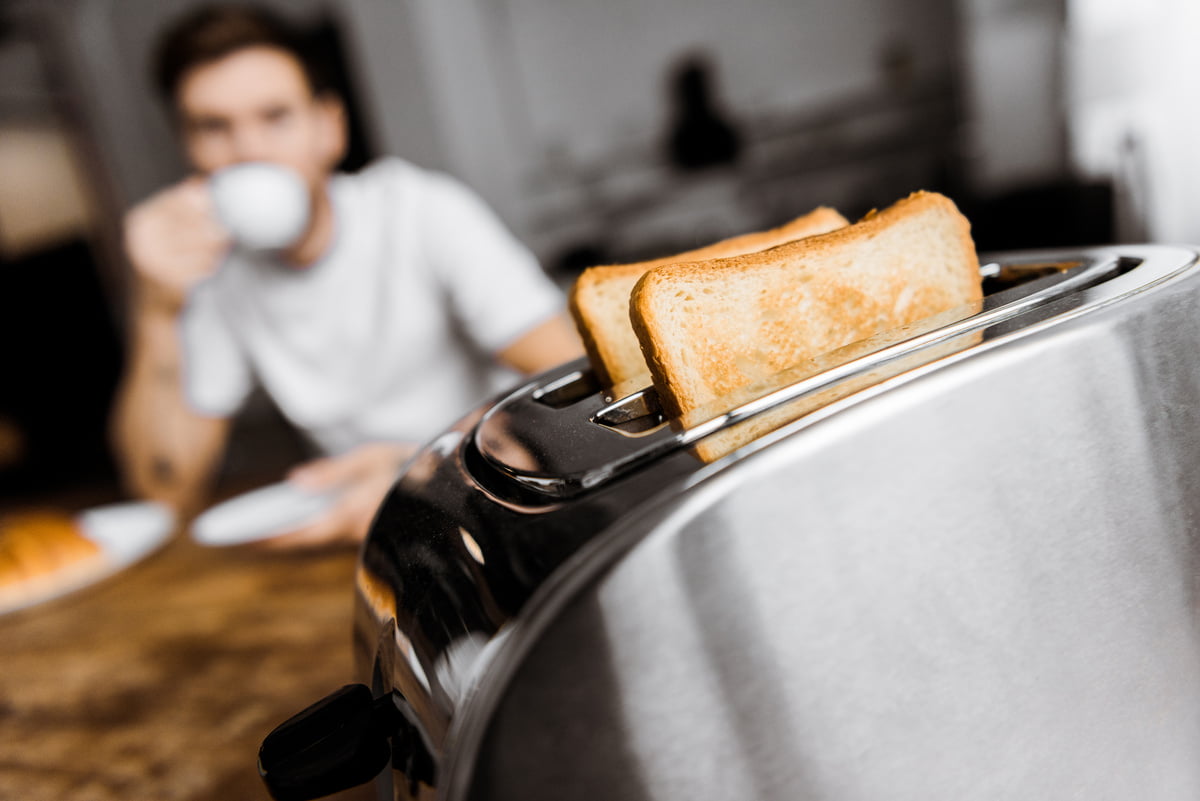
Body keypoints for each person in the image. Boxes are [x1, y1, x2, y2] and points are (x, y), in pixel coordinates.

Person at [110, 4, 583, 548]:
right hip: (378, 541)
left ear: (329, 128)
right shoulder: (211, 273)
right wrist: (154, 306)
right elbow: (165, 490)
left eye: (275, 116)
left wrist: (424, 464)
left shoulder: (419, 211)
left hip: (507, 512)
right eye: (214, 128)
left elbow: (571, 382)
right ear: (188, 150)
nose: (249, 153)